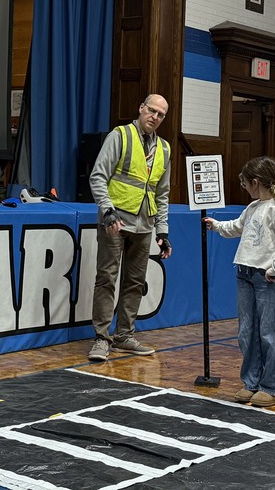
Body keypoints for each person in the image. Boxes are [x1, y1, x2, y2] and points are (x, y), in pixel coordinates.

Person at [203, 156, 275, 408]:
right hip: (245, 273)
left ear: (255, 182)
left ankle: (271, 387)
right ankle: (251, 382)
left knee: (269, 333)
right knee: (246, 332)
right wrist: (216, 226)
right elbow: (236, 227)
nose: (244, 187)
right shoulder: (252, 207)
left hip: (267, 277)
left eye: (245, 183)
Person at [87, 94, 173, 361]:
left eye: (160, 114)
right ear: (141, 108)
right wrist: (107, 211)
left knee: (135, 282)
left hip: (145, 225)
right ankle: (102, 338)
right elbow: (98, 176)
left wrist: (162, 231)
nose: (154, 117)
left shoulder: (164, 149)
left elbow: (162, 193)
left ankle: (124, 336)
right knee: (107, 279)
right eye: (151, 110)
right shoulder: (120, 136)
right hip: (116, 221)